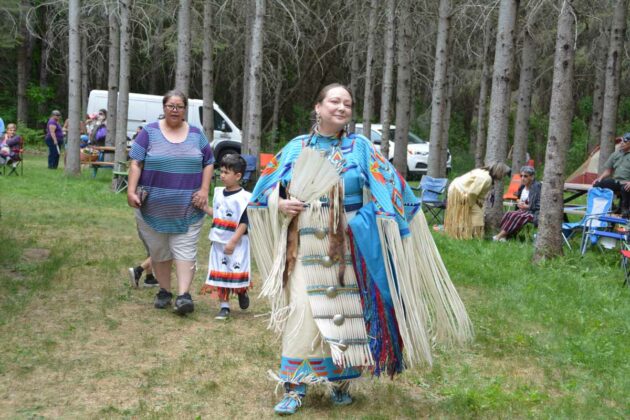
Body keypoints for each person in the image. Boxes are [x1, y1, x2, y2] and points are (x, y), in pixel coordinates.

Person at [249, 83, 473, 415]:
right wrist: (280, 203)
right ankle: (295, 386)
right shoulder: (296, 148)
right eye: (334, 102)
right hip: (306, 241)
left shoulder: (360, 148)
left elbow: (389, 184)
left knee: (344, 314)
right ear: (318, 107)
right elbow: (261, 191)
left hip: (346, 244)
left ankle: (340, 381)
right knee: (302, 310)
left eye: (348, 104)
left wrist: (385, 216)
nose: (342, 108)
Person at [127, 90, 214, 315]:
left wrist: (204, 189)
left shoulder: (197, 134)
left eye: (179, 106)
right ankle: (164, 291)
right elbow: (136, 162)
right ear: (164, 108)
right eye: (171, 106)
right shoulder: (148, 132)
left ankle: (184, 296)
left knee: (185, 250)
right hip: (152, 207)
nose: (175, 110)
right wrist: (131, 190)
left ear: (185, 110)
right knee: (159, 251)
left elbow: (209, 162)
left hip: (188, 208)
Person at [200, 154, 252, 320]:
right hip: (218, 240)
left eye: (226, 173)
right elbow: (217, 215)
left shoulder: (245, 198)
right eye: (221, 171)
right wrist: (204, 207)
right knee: (221, 271)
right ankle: (224, 306)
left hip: (237, 242)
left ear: (238, 176)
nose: (222, 175)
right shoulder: (218, 193)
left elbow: (245, 222)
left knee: (236, 269)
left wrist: (233, 241)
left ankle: (241, 290)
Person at [443, 162, 511, 239]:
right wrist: (471, 204)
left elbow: (476, 192)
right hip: (460, 192)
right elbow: (472, 192)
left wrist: (477, 203)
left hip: (457, 189)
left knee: (467, 214)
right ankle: (474, 236)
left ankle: (463, 235)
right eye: (504, 174)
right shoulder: (486, 178)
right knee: (477, 215)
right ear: (500, 172)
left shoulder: (483, 172)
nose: (503, 177)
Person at [492, 166, 541, 241]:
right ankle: (505, 237)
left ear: (532, 177)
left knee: (516, 215)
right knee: (508, 214)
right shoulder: (522, 187)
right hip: (524, 211)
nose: (522, 178)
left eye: (525, 176)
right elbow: (518, 197)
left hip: (534, 213)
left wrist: (527, 206)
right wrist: (519, 202)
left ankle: (498, 237)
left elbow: (539, 205)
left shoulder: (536, 187)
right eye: (521, 176)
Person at [593, 132, 630, 217]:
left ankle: (625, 210)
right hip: (617, 181)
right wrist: (600, 178)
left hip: (627, 182)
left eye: (624, 141)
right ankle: (611, 206)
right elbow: (609, 170)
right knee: (597, 185)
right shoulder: (616, 153)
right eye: (621, 141)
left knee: (626, 189)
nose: (621, 143)